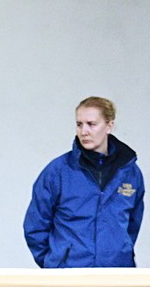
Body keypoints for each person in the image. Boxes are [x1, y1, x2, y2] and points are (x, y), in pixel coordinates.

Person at [24, 96, 145, 268]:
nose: (84, 131)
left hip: (116, 273)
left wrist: (120, 252)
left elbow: (133, 223)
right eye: (79, 124)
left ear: (109, 126)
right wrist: (55, 264)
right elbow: (35, 225)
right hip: (69, 275)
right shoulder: (58, 171)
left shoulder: (130, 173)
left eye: (91, 124)